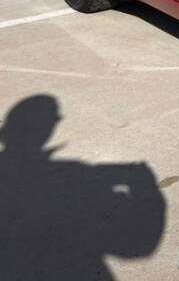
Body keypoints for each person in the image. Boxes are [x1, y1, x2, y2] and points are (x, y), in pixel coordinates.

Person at [0, 95, 165, 280]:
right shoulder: (71, 175)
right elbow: (137, 246)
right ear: (46, 128)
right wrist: (146, 189)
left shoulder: (71, 173)